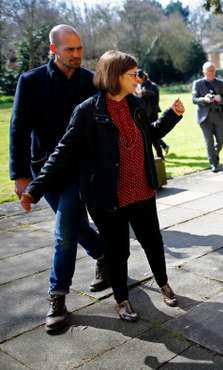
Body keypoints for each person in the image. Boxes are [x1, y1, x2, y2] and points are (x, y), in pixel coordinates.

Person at [20, 50, 185, 322]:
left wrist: (172, 116)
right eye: (132, 74)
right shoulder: (87, 112)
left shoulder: (135, 104)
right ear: (114, 76)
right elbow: (63, 152)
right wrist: (35, 188)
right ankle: (121, 299)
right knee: (117, 251)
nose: (137, 79)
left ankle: (164, 283)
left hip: (142, 191)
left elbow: (150, 135)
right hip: (108, 198)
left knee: (153, 242)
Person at [9, 24, 108, 334]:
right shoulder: (31, 81)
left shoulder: (89, 81)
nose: (77, 55)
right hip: (45, 172)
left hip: (79, 170)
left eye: (80, 49)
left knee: (65, 230)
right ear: (54, 50)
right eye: (70, 50)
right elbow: (18, 129)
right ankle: (105, 253)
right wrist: (22, 175)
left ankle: (57, 298)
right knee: (75, 225)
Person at [192, 62, 223, 172]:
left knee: (221, 140)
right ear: (204, 72)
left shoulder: (221, 83)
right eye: (209, 71)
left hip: (219, 115)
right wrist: (204, 99)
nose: (211, 73)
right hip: (204, 117)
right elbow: (194, 99)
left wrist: (220, 98)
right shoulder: (197, 83)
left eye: (213, 71)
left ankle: (214, 154)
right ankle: (213, 163)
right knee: (209, 141)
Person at [137, 70, 170, 158]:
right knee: (151, 135)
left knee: (152, 135)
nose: (136, 80)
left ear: (143, 77)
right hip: (146, 114)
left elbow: (151, 93)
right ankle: (163, 148)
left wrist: (140, 93)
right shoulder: (142, 85)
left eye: (138, 78)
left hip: (151, 114)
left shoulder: (151, 86)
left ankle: (160, 155)